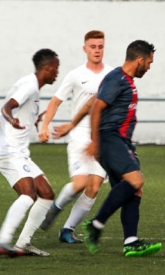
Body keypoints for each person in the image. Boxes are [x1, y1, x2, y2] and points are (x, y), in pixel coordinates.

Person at [82, 40, 162, 257]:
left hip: (121, 142)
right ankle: (96, 224)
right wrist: (94, 140)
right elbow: (97, 107)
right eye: (149, 63)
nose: (149, 67)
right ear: (140, 60)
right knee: (136, 180)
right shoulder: (117, 79)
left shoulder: (125, 79)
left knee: (134, 191)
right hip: (110, 138)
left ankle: (131, 242)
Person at [37, 30, 113, 244]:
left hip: (102, 138)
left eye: (100, 46)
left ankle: (67, 230)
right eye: (93, 46)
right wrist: (45, 126)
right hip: (79, 134)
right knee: (80, 183)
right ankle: (54, 209)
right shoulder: (75, 75)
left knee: (94, 187)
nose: (97, 50)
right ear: (85, 49)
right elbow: (55, 101)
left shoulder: (113, 73)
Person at [0, 48, 60, 257]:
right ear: (47, 68)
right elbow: (7, 107)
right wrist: (12, 120)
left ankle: (23, 244)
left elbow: (22, 112)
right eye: (56, 68)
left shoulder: (33, 87)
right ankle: (1, 241)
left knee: (46, 194)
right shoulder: (29, 85)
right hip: (7, 150)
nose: (57, 72)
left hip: (18, 152)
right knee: (28, 194)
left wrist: (33, 122)